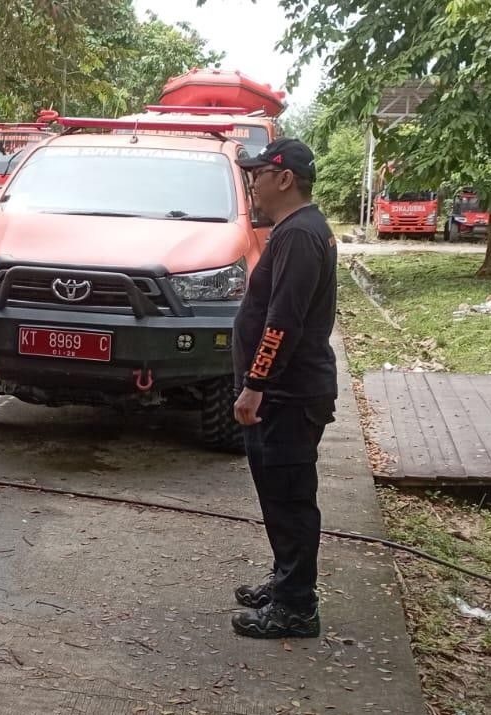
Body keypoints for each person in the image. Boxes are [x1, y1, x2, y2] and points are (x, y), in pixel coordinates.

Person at [232, 138, 338, 639]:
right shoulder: (298, 229)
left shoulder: (298, 234)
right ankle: (285, 581)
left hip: (288, 396)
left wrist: (256, 383)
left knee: (291, 501)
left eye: (258, 174)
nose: (252, 183)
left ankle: (297, 606)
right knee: (279, 497)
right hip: (284, 393)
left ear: (284, 178)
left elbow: (283, 322)